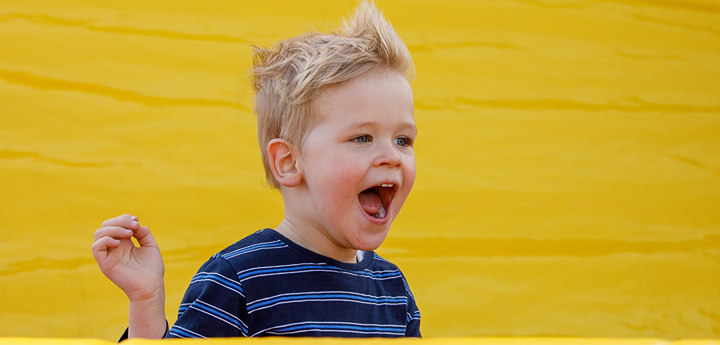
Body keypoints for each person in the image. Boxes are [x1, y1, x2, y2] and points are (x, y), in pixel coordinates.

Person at [91, 1, 421, 339]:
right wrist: (146, 302)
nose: (392, 156)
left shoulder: (393, 291)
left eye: (403, 140)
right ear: (289, 163)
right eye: (362, 137)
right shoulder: (238, 280)